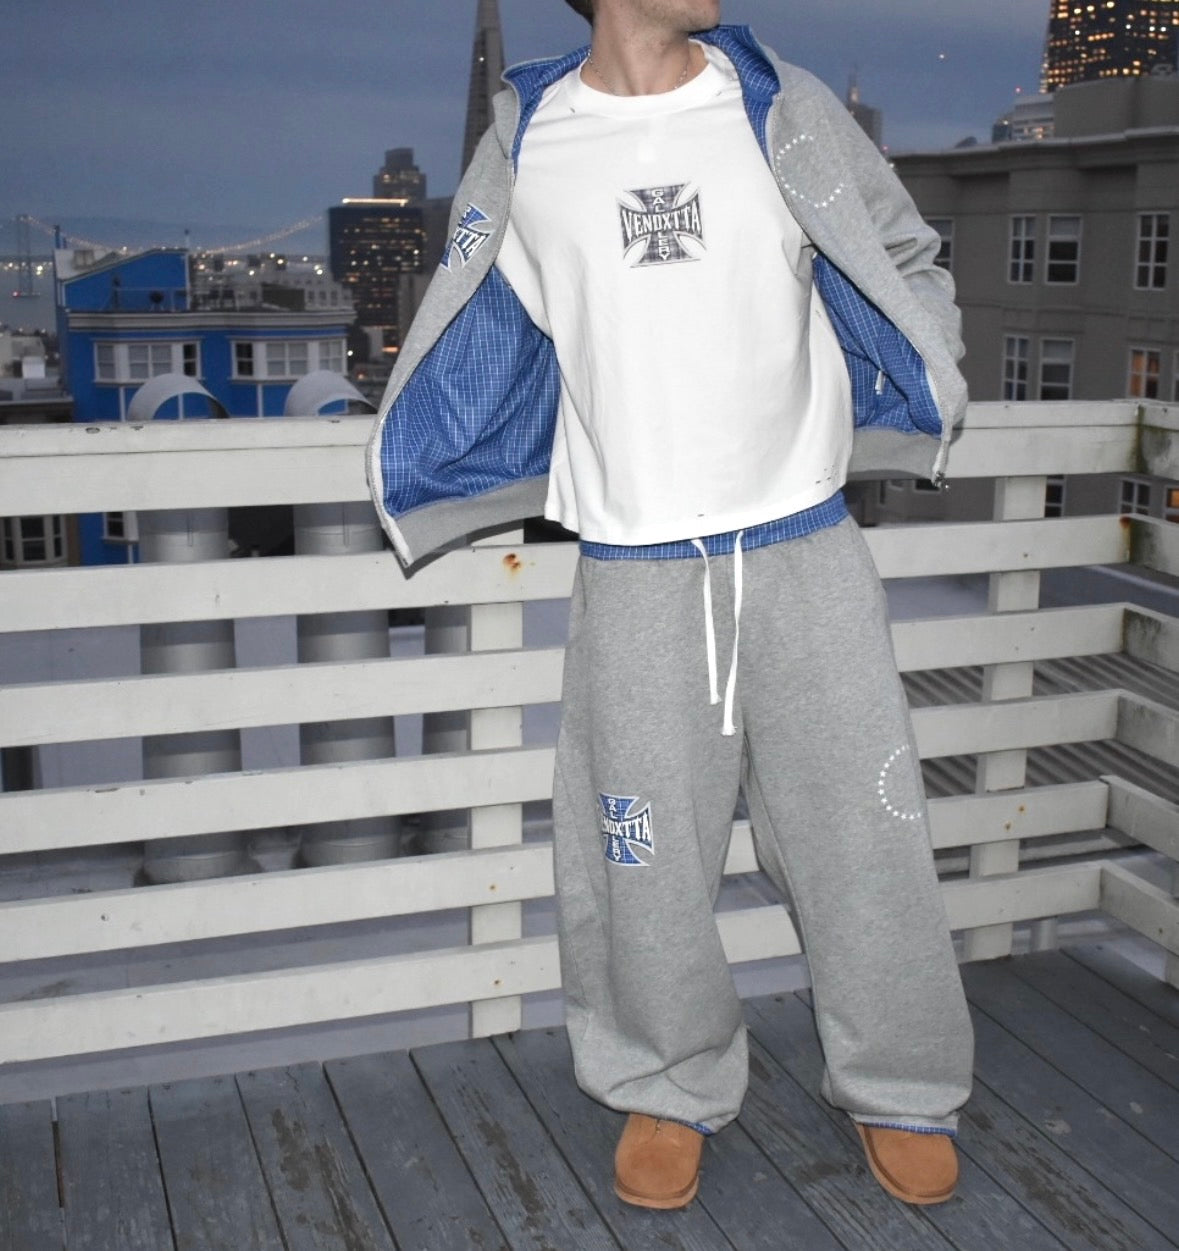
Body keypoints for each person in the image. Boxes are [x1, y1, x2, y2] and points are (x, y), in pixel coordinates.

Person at [367, 0, 975, 1211]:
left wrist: (927, 373)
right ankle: (665, 1079)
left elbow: (905, 251)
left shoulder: (784, 109)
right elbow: (483, 318)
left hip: (805, 545)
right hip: (634, 566)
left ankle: (903, 1082)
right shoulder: (529, 142)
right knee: (636, 849)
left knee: (867, 832)